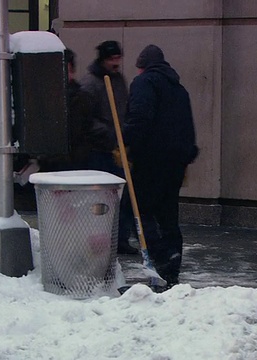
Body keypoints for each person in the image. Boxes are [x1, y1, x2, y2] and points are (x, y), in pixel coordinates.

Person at [123, 45, 199, 287]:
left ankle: (161, 255)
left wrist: (126, 144)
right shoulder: (179, 89)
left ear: (141, 66)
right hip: (176, 162)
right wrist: (187, 154)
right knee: (168, 213)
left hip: (150, 158)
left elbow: (139, 118)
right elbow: (187, 125)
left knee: (136, 207)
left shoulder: (144, 83)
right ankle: (173, 262)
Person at [80, 40, 138, 255]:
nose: (116, 63)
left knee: (123, 196)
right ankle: (100, 240)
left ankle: (120, 239)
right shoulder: (91, 83)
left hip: (118, 148)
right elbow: (87, 119)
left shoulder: (118, 80)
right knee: (102, 198)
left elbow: (125, 108)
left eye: (118, 58)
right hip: (100, 150)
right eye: (112, 59)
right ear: (103, 59)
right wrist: (109, 132)